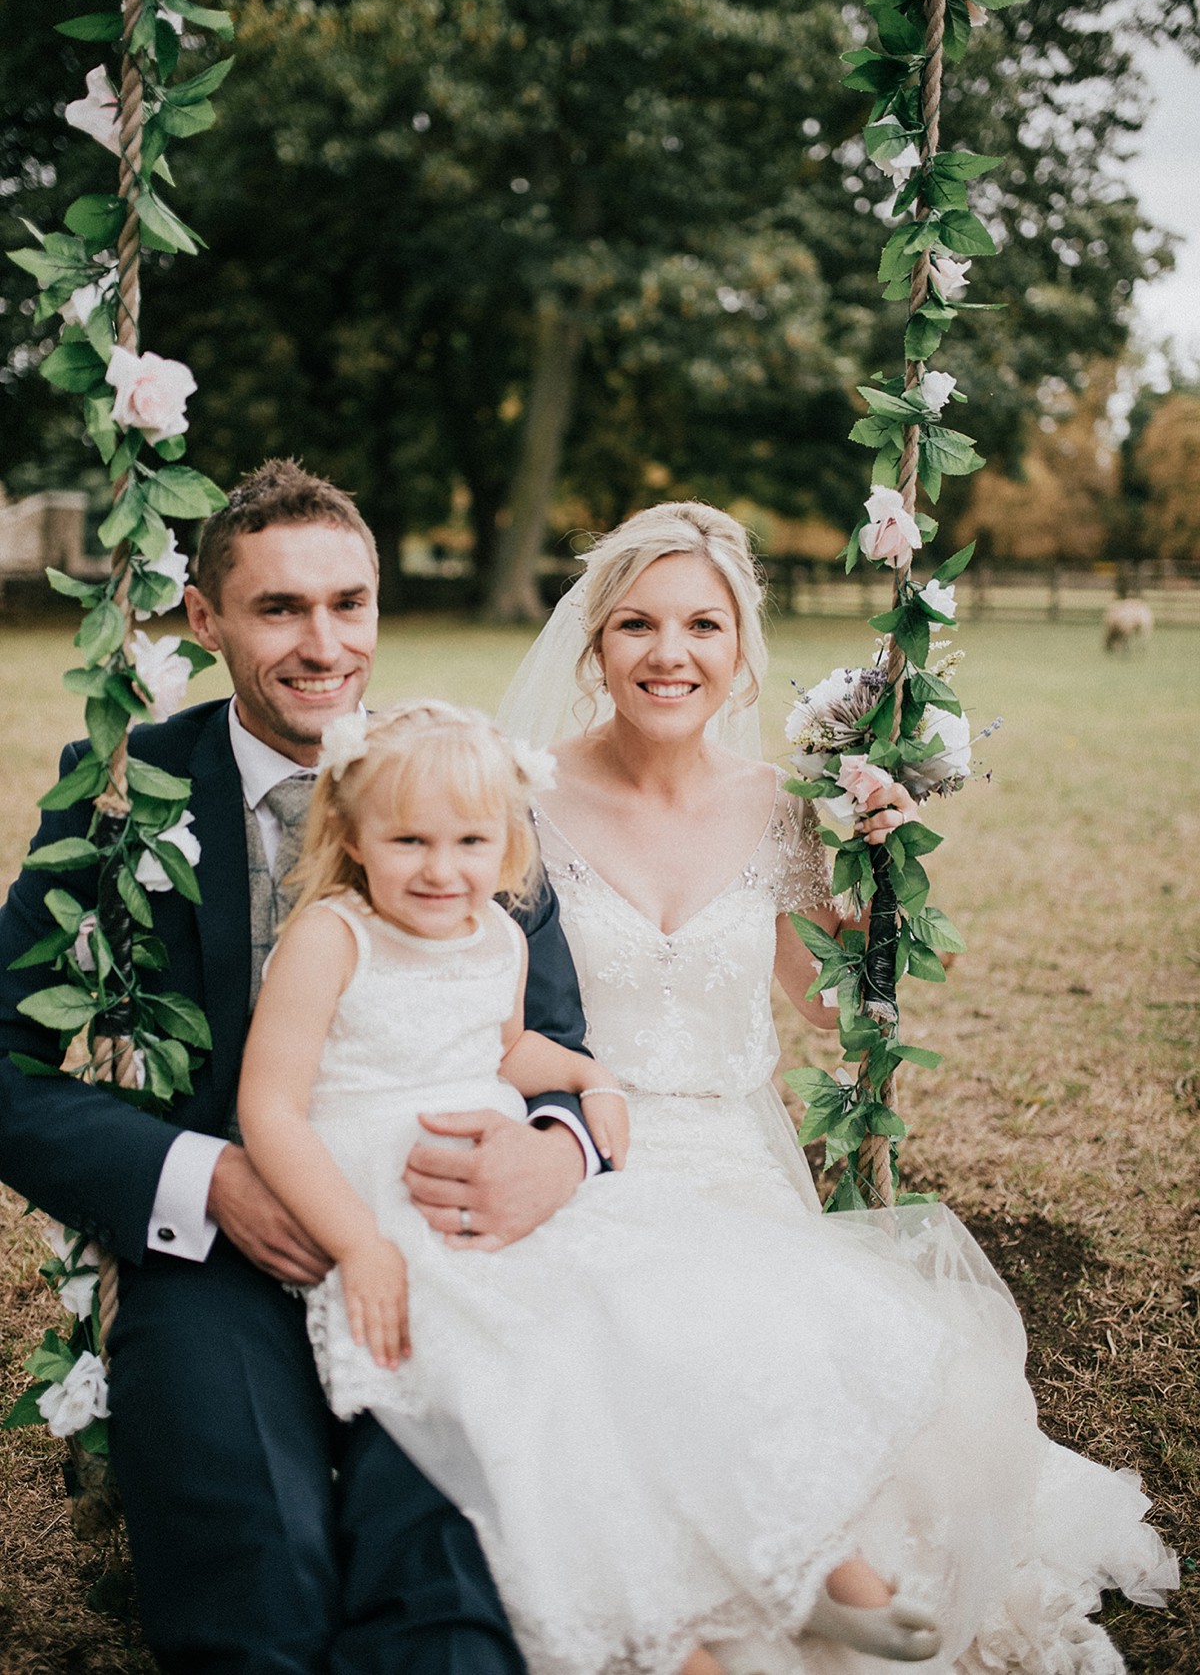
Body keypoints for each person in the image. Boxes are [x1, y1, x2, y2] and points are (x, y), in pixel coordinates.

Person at [490, 501, 1177, 1675]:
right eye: (638, 624)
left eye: (704, 625)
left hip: (734, 1161)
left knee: (783, 1363)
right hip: (581, 1151)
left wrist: (883, 881)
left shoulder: (780, 809)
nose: (671, 653)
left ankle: (812, 1583)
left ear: (744, 649)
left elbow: (833, 1003)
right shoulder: (524, 795)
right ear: (595, 642)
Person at [0, 460, 601, 1674]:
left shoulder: (452, 784)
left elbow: (549, 1043)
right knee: (257, 1568)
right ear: (205, 619)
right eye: (279, 609)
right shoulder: (124, 793)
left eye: (349, 603)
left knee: (448, 1549)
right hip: (221, 1244)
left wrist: (559, 1149)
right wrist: (199, 1177)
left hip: (443, 1239)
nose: (324, 642)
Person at [238, 697, 948, 1673]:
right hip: (394, 1209)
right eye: (408, 840)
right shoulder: (333, 936)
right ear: (352, 835)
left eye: (470, 841)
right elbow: (269, 1107)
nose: (441, 869)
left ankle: (815, 1553)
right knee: (539, 1389)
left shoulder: (493, 935)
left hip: (505, 1192)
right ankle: (663, 1632)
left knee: (664, 1315)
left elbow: (505, 1044)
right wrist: (359, 1244)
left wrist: (588, 1079)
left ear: (507, 844)